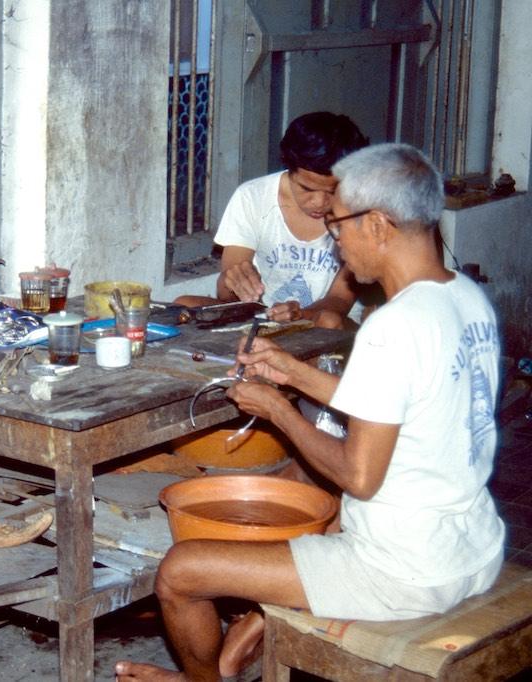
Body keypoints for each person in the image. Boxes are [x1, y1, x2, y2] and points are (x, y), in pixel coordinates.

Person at [117, 143, 505, 681]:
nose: (333, 240)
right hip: (473, 546)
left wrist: (279, 410)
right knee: (305, 504)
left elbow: (359, 477)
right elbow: (396, 401)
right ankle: (229, 658)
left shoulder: (393, 326)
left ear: (378, 225)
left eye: (337, 224)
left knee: (181, 571)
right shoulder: (463, 296)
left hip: (403, 571)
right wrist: (293, 373)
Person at [175, 112, 370, 329]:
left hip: (321, 320)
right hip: (264, 315)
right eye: (307, 189)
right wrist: (236, 282)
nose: (319, 202)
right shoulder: (253, 196)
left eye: (332, 190)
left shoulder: (359, 209)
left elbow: (339, 300)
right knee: (184, 304)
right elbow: (227, 294)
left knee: (329, 321)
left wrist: (300, 314)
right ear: (289, 169)